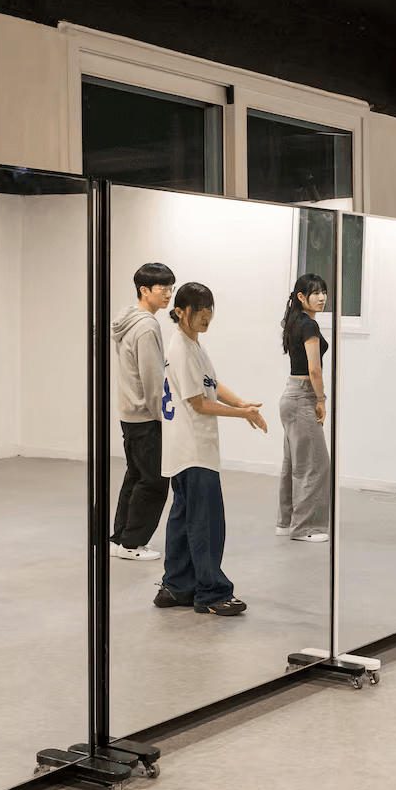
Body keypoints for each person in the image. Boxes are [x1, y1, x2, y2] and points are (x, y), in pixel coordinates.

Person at [153, 283, 268, 616]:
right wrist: (241, 414)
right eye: (198, 309)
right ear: (180, 312)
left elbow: (211, 386)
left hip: (185, 450)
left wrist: (241, 402)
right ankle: (211, 593)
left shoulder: (193, 346)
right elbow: (199, 403)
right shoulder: (180, 349)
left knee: (184, 519)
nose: (205, 315)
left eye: (209, 308)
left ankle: (176, 586)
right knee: (206, 522)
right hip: (193, 451)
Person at [110, 262, 175, 561]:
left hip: (128, 412)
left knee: (135, 476)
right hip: (146, 415)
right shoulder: (147, 326)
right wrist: (162, 417)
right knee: (154, 481)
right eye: (163, 289)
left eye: (171, 288)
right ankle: (132, 544)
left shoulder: (127, 321)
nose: (169, 295)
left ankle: (120, 537)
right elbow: (152, 380)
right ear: (144, 290)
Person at [277, 273, 331, 543]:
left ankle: (286, 522)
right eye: (315, 293)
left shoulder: (294, 321)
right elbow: (314, 368)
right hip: (303, 396)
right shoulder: (308, 325)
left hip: (290, 396)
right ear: (301, 297)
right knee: (315, 465)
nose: (322, 298)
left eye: (323, 292)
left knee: (294, 464)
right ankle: (306, 526)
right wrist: (320, 399)